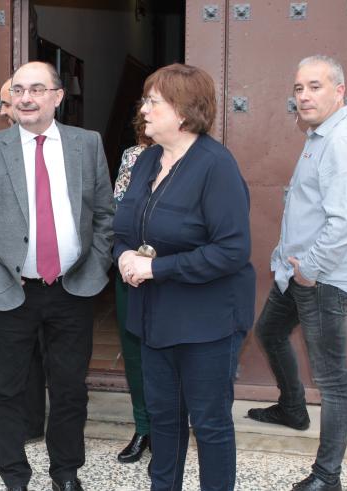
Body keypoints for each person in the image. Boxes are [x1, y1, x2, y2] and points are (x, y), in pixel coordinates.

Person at [0, 61, 114, 491]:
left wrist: (94, 265)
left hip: (72, 289)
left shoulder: (87, 144)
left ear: (57, 96)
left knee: (69, 389)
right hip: (12, 292)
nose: (26, 98)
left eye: (37, 89)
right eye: (18, 90)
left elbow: (104, 215)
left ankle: (65, 473)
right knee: (6, 390)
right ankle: (15, 477)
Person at [113, 63, 255, 491]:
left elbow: (232, 250)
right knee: (164, 419)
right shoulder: (147, 160)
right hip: (154, 320)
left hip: (206, 323)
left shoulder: (216, 165)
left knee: (209, 424)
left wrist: (156, 267)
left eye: (153, 101)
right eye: (145, 100)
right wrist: (122, 256)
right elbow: (123, 227)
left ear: (184, 111)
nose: (144, 109)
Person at [247, 55, 347, 491]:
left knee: (333, 379)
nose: (303, 95)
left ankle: (327, 477)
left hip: (321, 278)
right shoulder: (319, 136)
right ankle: (292, 409)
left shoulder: (343, 143)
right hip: (298, 272)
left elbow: (344, 223)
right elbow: (308, 208)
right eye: (299, 87)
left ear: (340, 91)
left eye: (315, 86)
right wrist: (289, 260)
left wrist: (310, 270)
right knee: (269, 331)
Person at [0, 76, 48, 445]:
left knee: (53, 360)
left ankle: (42, 422)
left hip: (55, 280)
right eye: (9, 100)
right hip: (9, 280)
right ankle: (28, 424)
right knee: (19, 361)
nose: (6, 110)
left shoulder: (67, 147)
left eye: (10, 100)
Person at [111, 109, 153, 464]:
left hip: (173, 275)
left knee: (172, 355)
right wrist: (125, 256)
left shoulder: (200, 158)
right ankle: (143, 427)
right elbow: (117, 211)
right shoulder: (133, 156)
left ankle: (171, 431)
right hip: (130, 273)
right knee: (135, 352)